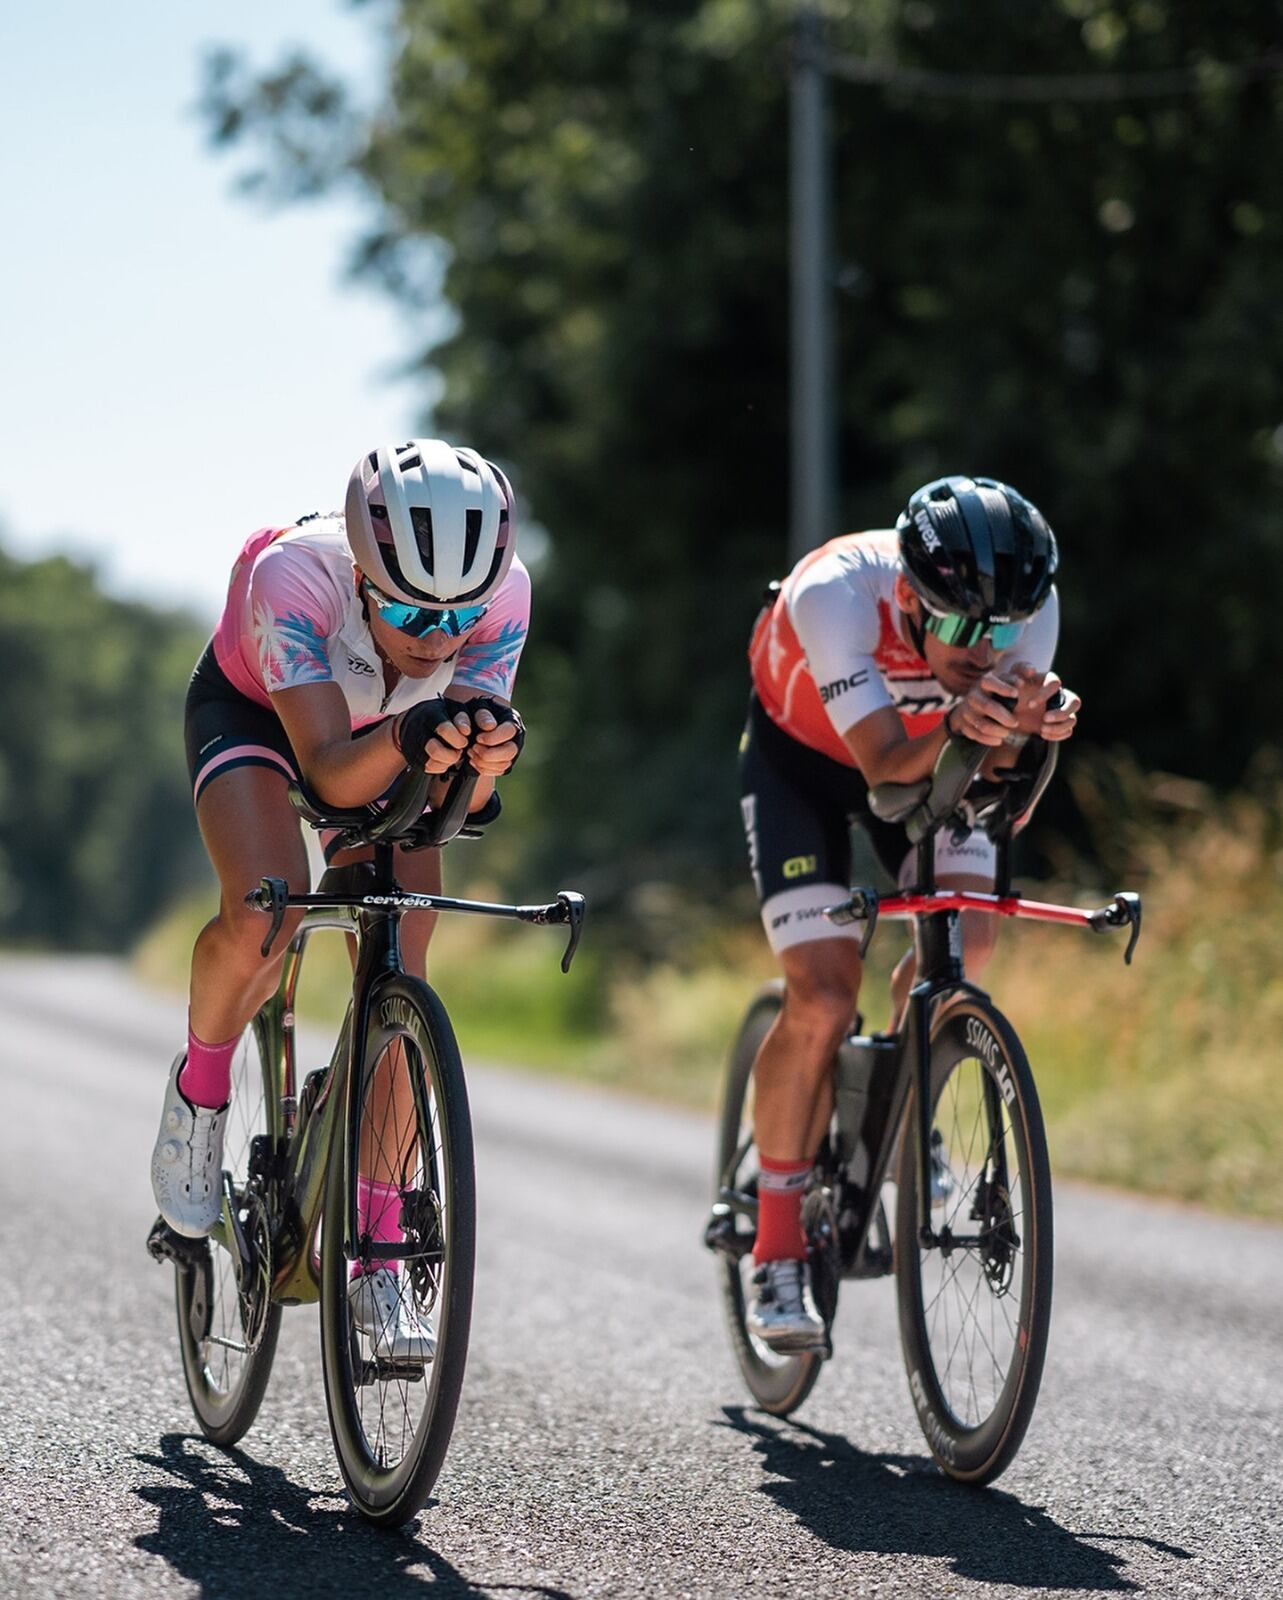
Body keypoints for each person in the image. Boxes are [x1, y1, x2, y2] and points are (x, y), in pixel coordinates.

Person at [150, 439, 529, 1357]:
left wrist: (482, 760)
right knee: (264, 912)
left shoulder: (508, 593)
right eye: (405, 609)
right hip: (264, 713)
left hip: (391, 736)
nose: (436, 638)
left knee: (409, 935)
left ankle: (380, 1253)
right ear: (360, 572)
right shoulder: (290, 579)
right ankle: (198, 1095)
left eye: (457, 617)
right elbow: (324, 772)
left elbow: (469, 798)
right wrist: (413, 732)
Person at [738, 475, 1079, 1350]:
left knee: (963, 936)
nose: (984, 645)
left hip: (939, 756)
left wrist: (1023, 739)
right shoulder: (836, 595)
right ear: (908, 598)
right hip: (807, 762)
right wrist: (970, 723)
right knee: (819, 990)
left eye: (1001, 628)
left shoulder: (1023, 615)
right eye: (961, 626)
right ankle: (776, 1249)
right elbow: (886, 762)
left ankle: (899, 1103)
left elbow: (1003, 794)